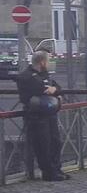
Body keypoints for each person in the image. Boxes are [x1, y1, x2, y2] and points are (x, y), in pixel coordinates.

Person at [17, 51, 67, 181]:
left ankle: (56, 169)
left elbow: (57, 87)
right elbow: (37, 89)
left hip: (50, 113)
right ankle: (49, 172)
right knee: (43, 144)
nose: (49, 64)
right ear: (42, 62)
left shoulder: (45, 75)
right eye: (48, 61)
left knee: (56, 142)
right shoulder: (25, 76)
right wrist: (50, 90)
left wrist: (54, 90)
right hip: (37, 116)